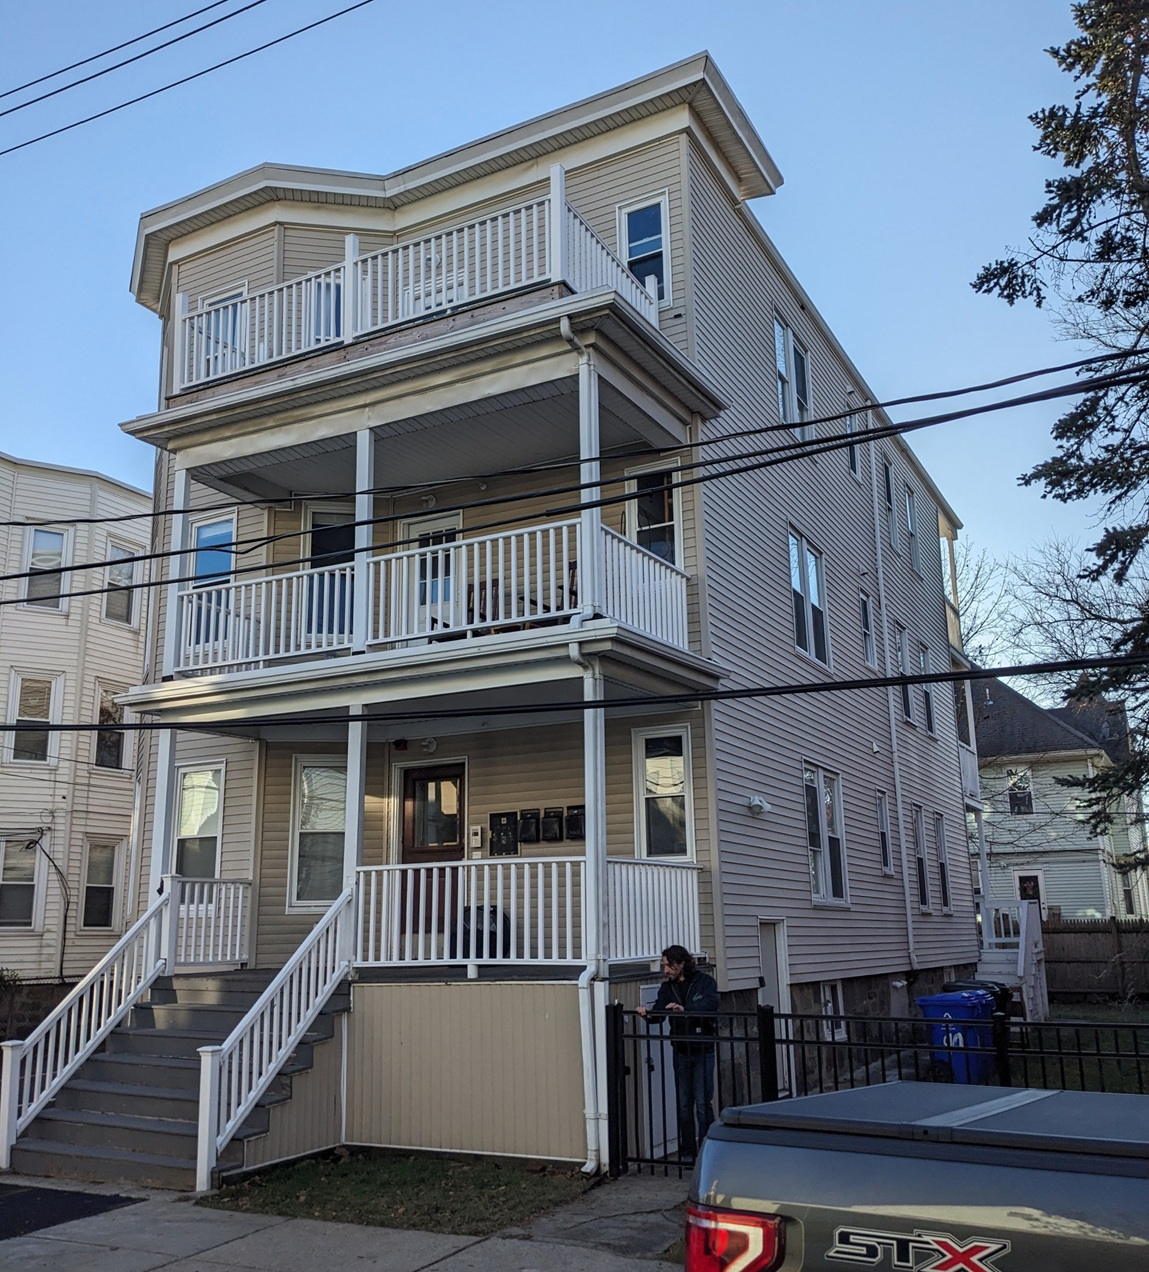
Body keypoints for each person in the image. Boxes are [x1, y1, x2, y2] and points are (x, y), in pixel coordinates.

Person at [635, 944, 719, 1161]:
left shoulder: (705, 982)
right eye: (664, 966)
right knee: (683, 1104)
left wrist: (685, 1011)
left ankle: (707, 1151)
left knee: (702, 1103)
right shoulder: (667, 988)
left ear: (681, 964)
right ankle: (689, 1151)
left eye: (669, 966)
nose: (666, 971)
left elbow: (711, 1005)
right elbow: (659, 1014)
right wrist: (647, 1014)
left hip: (703, 1049)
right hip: (681, 1050)